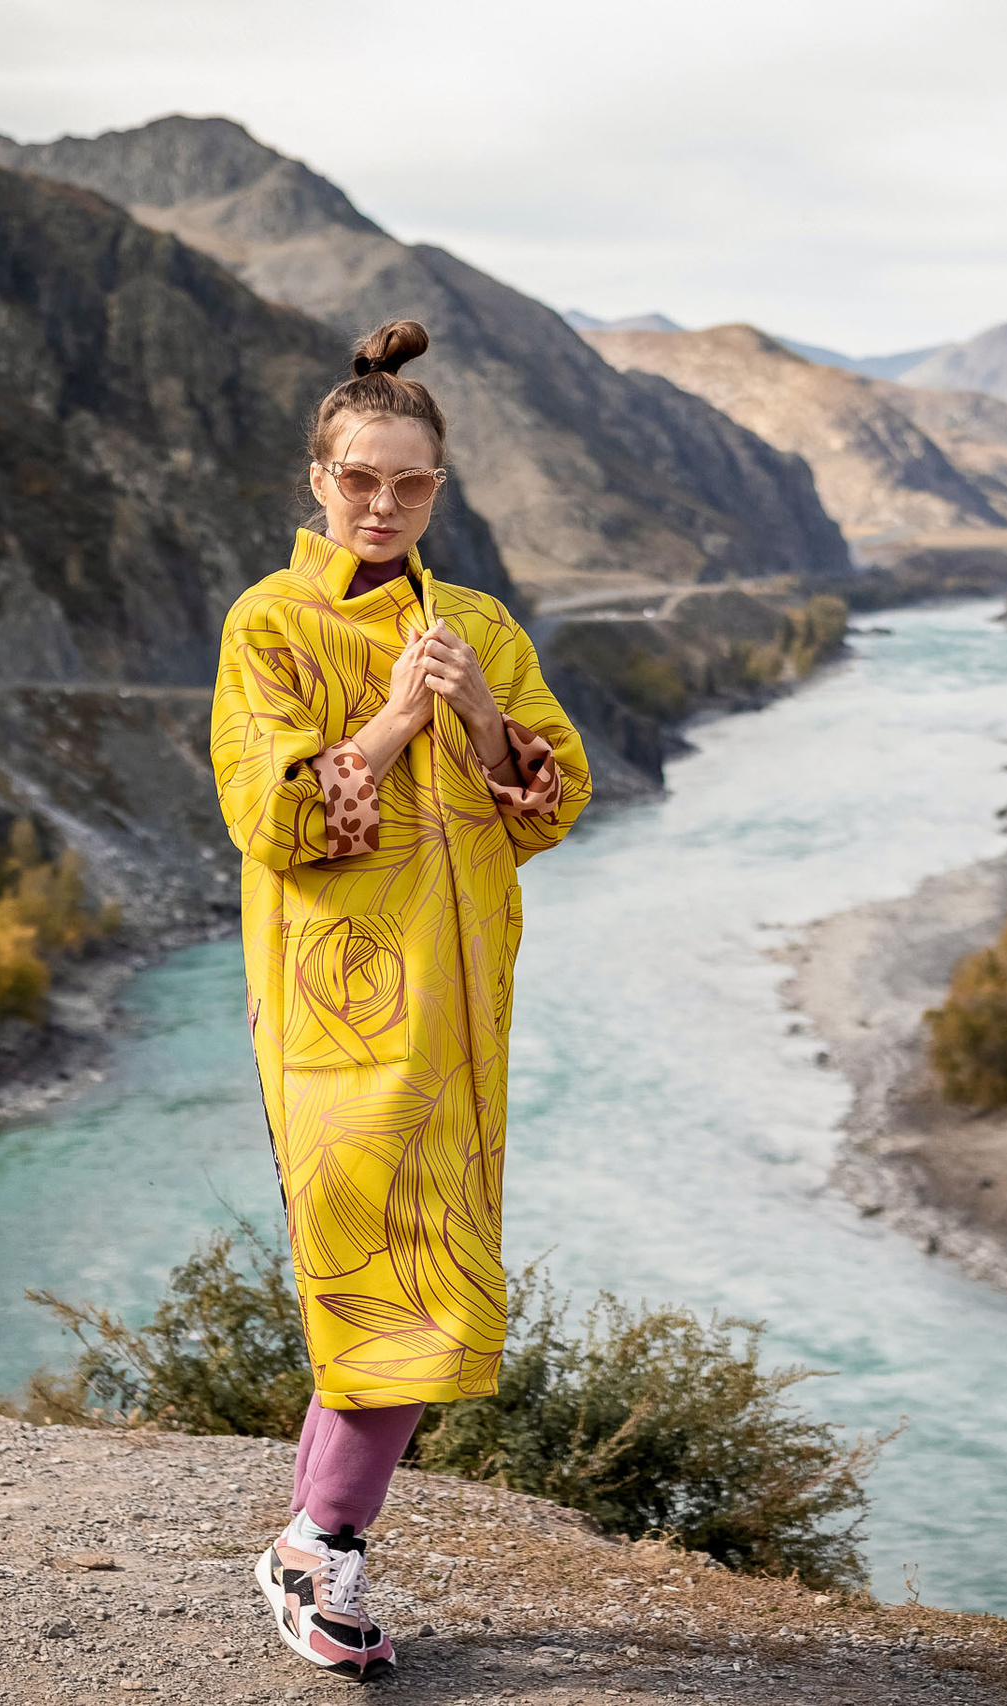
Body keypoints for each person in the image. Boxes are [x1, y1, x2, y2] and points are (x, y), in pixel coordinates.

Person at [210, 319, 591, 1678]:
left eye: (411, 483)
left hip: (458, 1012)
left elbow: (555, 799)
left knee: (438, 1278)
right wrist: (385, 720)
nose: (383, 504)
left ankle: (319, 1538)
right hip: (330, 1017)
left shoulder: (476, 623)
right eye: (359, 477)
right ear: (319, 477)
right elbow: (274, 815)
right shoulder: (268, 621)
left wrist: (482, 709)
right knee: (381, 1278)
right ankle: (319, 1541)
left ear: (441, 487)